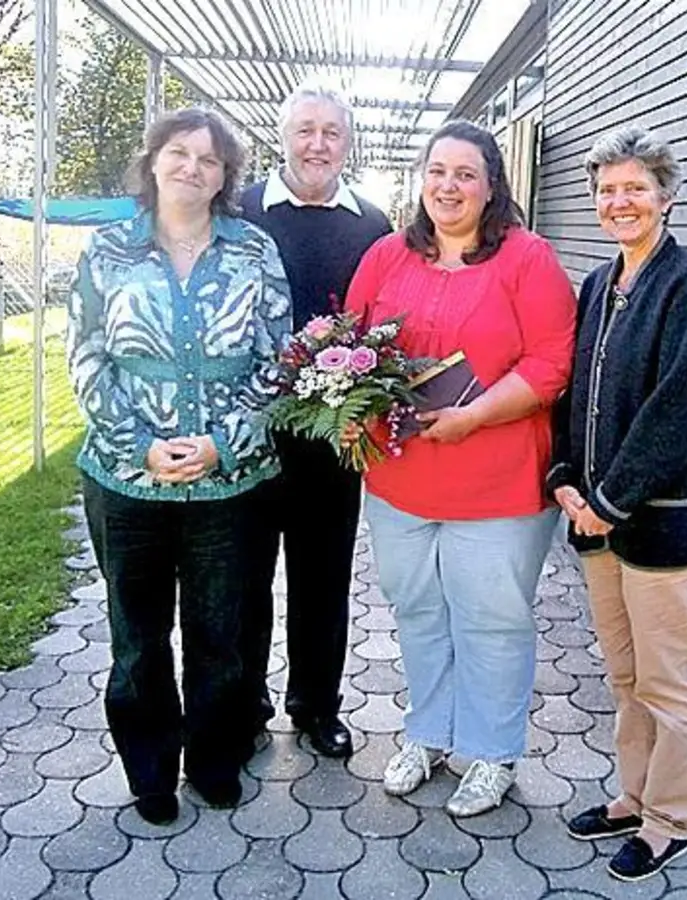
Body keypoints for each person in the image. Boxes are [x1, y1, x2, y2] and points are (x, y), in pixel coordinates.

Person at [342, 120, 576, 818]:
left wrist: (475, 417)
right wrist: (346, 408)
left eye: (465, 174)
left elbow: (550, 363)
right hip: (401, 480)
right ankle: (430, 733)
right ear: (422, 180)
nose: (449, 186)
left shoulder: (528, 259)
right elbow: (348, 344)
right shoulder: (386, 256)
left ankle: (492, 752)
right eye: (438, 171)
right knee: (419, 611)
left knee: (491, 620)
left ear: (491, 184)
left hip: (498, 483)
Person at [66, 107, 290, 821]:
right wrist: (141, 446)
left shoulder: (254, 250)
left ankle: (216, 758)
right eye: (179, 152)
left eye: (210, 159)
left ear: (227, 177)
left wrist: (225, 442)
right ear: (153, 159)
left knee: (221, 630)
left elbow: (278, 362)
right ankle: (151, 771)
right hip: (126, 481)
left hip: (232, 482)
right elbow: (86, 357)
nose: (192, 167)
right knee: (137, 635)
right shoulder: (107, 251)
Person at [546, 125, 687, 882]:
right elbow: (574, 392)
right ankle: (632, 794)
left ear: (665, 196)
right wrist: (563, 474)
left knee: (667, 682)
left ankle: (669, 820)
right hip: (597, 524)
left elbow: (681, 405)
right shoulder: (597, 284)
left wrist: (610, 499)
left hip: (659, 524)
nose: (618, 202)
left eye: (634, 189)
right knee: (624, 678)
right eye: (606, 191)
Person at [237, 82, 392, 759]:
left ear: (347, 142)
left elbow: (388, 325)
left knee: (324, 579)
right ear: (284, 136)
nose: (318, 144)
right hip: (247, 436)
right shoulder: (240, 212)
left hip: (333, 437)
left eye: (331, 131)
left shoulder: (372, 225)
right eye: (306, 130)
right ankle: (245, 705)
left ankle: (315, 706)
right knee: (243, 579)